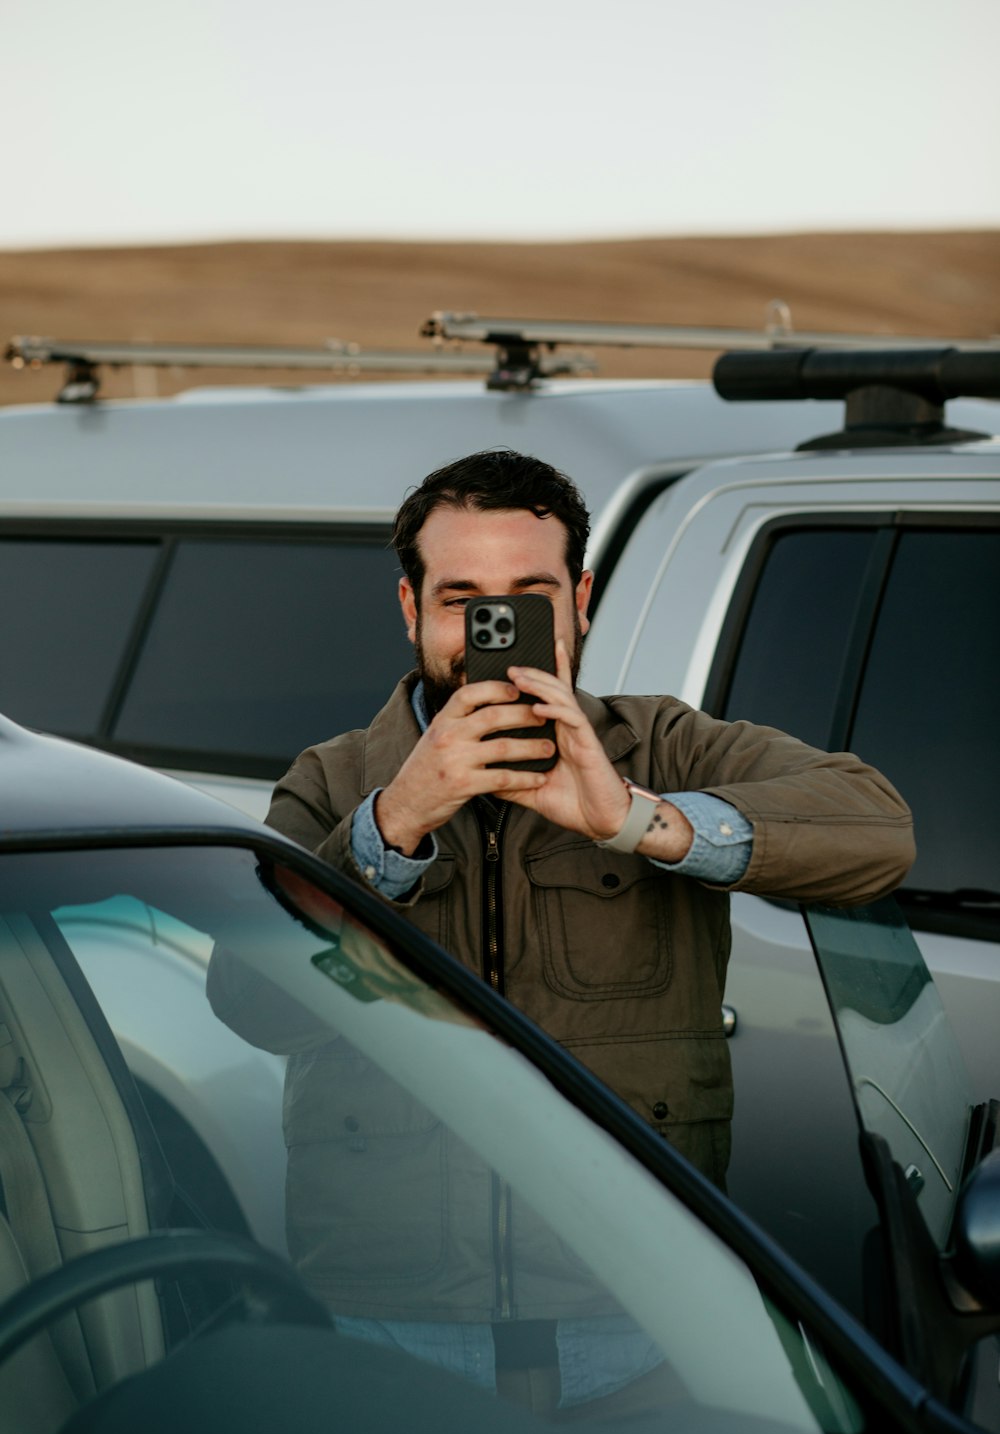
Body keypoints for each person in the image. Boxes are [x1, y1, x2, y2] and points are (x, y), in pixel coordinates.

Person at [267, 448, 915, 1187]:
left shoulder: (663, 748)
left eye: (529, 595)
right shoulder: (330, 779)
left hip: (635, 1270)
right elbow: (252, 1006)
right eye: (463, 601)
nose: (497, 627)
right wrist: (394, 824)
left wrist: (639, 821)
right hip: (396, 1281)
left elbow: (880, 829)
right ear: (413, 608)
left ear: (579, 602)